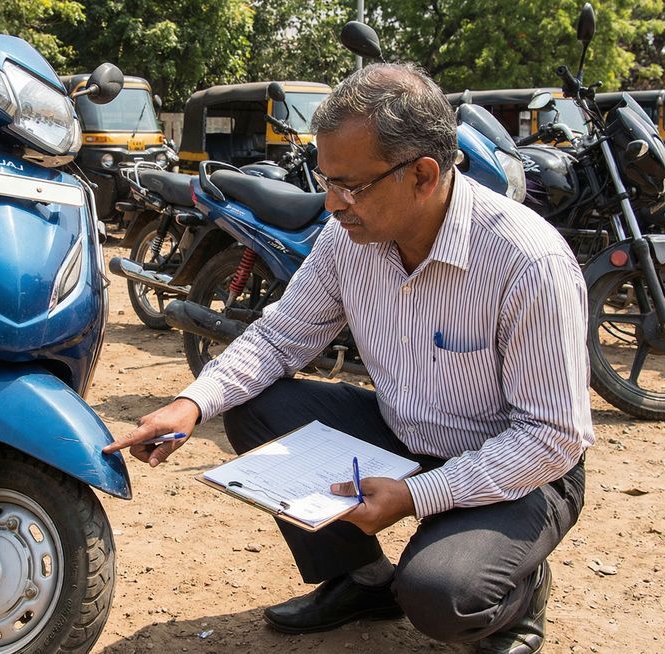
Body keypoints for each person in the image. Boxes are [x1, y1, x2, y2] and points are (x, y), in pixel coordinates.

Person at [104, 63, 593, 654]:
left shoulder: (527, 261)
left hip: (522, 473)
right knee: (256, 404)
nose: (332, 203)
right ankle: (362, 581)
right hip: (405, 432)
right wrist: (190, 403)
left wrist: (418, 496)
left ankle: (517, 595)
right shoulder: (347, 238)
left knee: (441, 594)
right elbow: (279, 338)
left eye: (351, 185)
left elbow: (551, 438)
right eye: (325, 179)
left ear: (424, 174)